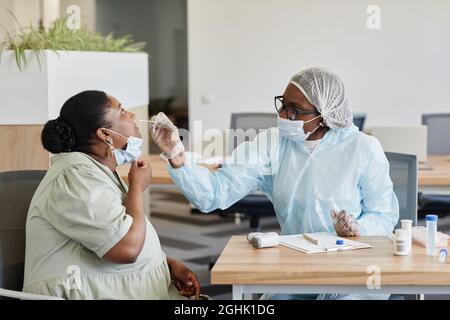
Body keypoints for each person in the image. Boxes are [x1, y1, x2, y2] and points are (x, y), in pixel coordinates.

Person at [150, 67, 399, 300]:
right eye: (283, 104)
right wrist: (176, 156)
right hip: (297, 263)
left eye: (295, 110)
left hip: (355, 264)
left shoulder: (362, 148)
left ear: (325, 114)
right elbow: (215, 194)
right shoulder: (272, 143)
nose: (283, 115)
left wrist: (358, 228)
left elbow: (384, 214)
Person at [23, 90, 200, 300]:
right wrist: (135, 187)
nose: (132, 116)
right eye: (123, 111)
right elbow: (126, 249)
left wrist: (165, 266)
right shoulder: (76, 178)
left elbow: (115, 230)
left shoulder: (95, 172)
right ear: (105, 134)